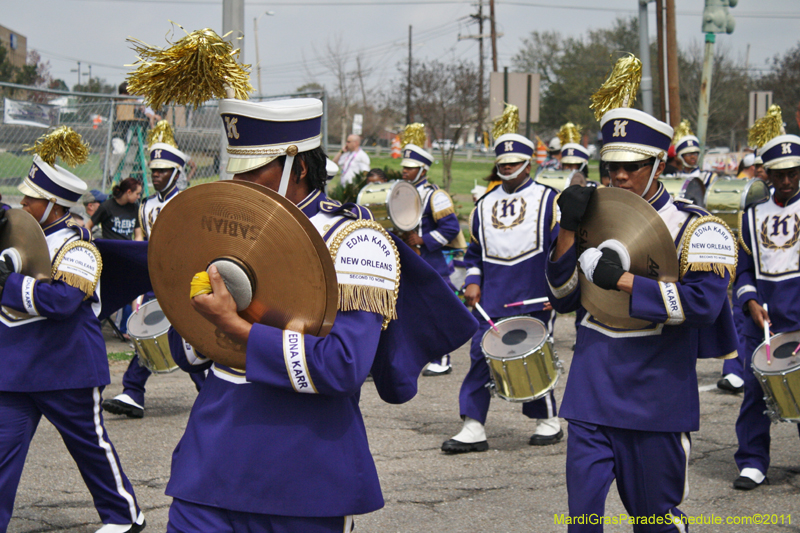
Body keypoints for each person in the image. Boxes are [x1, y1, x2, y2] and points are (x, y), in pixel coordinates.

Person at [158, 96, 475, 532]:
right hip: (209, 459)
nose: (239, 181)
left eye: (254, 169)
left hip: (302, 470)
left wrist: (235, 327)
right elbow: (188, 348)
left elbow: (342, 367)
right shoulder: (225, 230)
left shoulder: (356, 241)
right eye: (236, 168)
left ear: (298, 167)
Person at [547, 105, 737, 530]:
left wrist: (627, 282)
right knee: (581, 524)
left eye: (632, 166)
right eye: (611, 166)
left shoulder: (696, 227)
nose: (619, 176)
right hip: (591, 392)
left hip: (656, 399)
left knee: (654, 523)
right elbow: (561, 298)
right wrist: (567, 228)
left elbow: (703, 307)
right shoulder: (591, 217)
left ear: (660, 164)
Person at [0, 145, 145, 532]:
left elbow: (63, 301)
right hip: (16, 368)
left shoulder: (78, 246)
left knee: (89, 448)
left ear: (53, 206)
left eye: (31, 199)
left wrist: (8, 285)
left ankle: (125, 516)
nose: (23, 203)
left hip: (67, 369)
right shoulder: (16, 231)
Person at [441, 127, 563, 453]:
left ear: (528, 163)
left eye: (514, 162)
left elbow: (563, 254)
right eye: (503, 162)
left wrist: (559, 292)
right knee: (480, 355)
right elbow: (474, 256)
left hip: (536, 293)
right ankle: (473, 424)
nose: (507, 167)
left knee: (533, 357)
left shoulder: (551, 200)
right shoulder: (482, 206)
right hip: (493, 295)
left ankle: (547, 419)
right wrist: (473, 281)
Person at [102, 142, 200, 419]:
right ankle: (133, 392)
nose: (155, 175)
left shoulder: (188, 200)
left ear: (176, 171)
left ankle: (208, 393)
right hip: (155, 280)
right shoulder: (145, 205)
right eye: (153, 170)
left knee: (189, 338)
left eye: (162, 170)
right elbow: (142, 243)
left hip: (185, 280)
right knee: (148, 335)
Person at [731, 133, 800, 491]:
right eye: (779, 174)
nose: (787, 180)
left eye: (793, 172)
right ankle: (753, 461)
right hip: (763, 321)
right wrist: (751, 301)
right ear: (766, 174)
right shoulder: (752, 215)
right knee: (756, 394)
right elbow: (742, 270)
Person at [400, 142, 462, 376]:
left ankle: (443, 359)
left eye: (411, 168)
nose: (405, 171)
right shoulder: (400, 190)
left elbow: (451, 228)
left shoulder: (436, 195)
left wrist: (423, 240)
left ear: (423, 170)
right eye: (404, 167)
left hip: (431, 264)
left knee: (436, 312)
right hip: (407, 262)